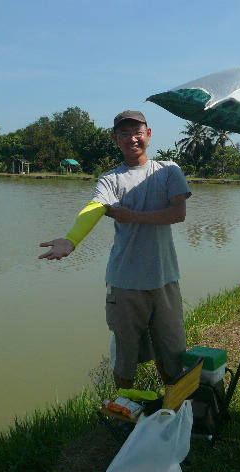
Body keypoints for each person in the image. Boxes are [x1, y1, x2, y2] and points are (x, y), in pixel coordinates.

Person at [39, 110, 191, 389]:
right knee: (126, 353)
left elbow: (177, 213)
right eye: (124, 134)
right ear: (115, 139)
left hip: (164, 278)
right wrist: (71, 239)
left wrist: (132, 216)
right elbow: (95, 207)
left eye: (137, 133)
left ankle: (172, 403)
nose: (132, 139)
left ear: (149, 134)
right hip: (124, 282)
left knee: (172, 348)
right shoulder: (110, 180)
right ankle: (125, 408)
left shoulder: (169, 170)